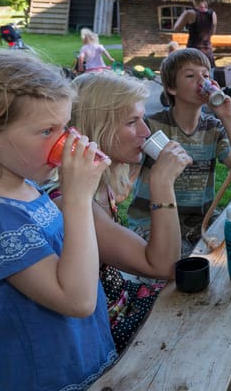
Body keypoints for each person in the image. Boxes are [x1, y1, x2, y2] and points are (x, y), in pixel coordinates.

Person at [0, 50, 115, 389]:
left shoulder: (27, 186)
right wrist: (76, 199)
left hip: (75, 359)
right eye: (48, 131)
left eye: (65, 127)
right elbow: (78, 300)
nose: (64, 141)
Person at [60, 72, 193, 353]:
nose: (146, 132)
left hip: (119, 303)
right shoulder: (70, 199)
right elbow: (164, 265)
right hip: (105, 330)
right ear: (96, 129)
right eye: (132, 122)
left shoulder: (98, 183)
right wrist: (162, 183)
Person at [131, 47, 231, 257]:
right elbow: (126, 172)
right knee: (185, 263)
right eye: (191, 76)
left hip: (200, 221)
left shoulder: (213, 128)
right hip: (152, 221)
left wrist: (228, 118)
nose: (202, 82)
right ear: (172, 88)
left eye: (206, 75)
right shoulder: (152, 125)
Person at [173, 0, 217, 67]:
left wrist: (184, 14)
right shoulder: (213, 14)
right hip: (208, 54)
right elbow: (212, 33)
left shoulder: (190, 13)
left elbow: (176, 28)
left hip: (193, 53)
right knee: (209, 78)